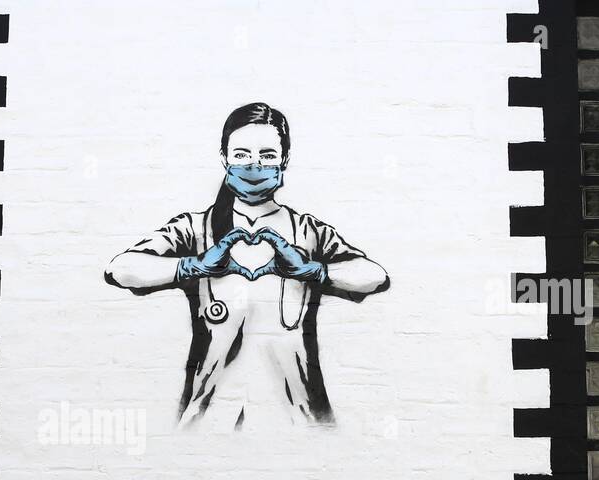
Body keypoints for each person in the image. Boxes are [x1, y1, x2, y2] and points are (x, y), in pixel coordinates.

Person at [105, 102, 390, 431]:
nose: (254, 167)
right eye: (241, 155)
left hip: (301, 424)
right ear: (224, 158)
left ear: (284, 159)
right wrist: (193, 265)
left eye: (267, 156)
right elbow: (121, 269)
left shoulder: (308, 232)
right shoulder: (195, 229)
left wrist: (314, 271)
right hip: (208, 424)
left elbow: (374, 276)